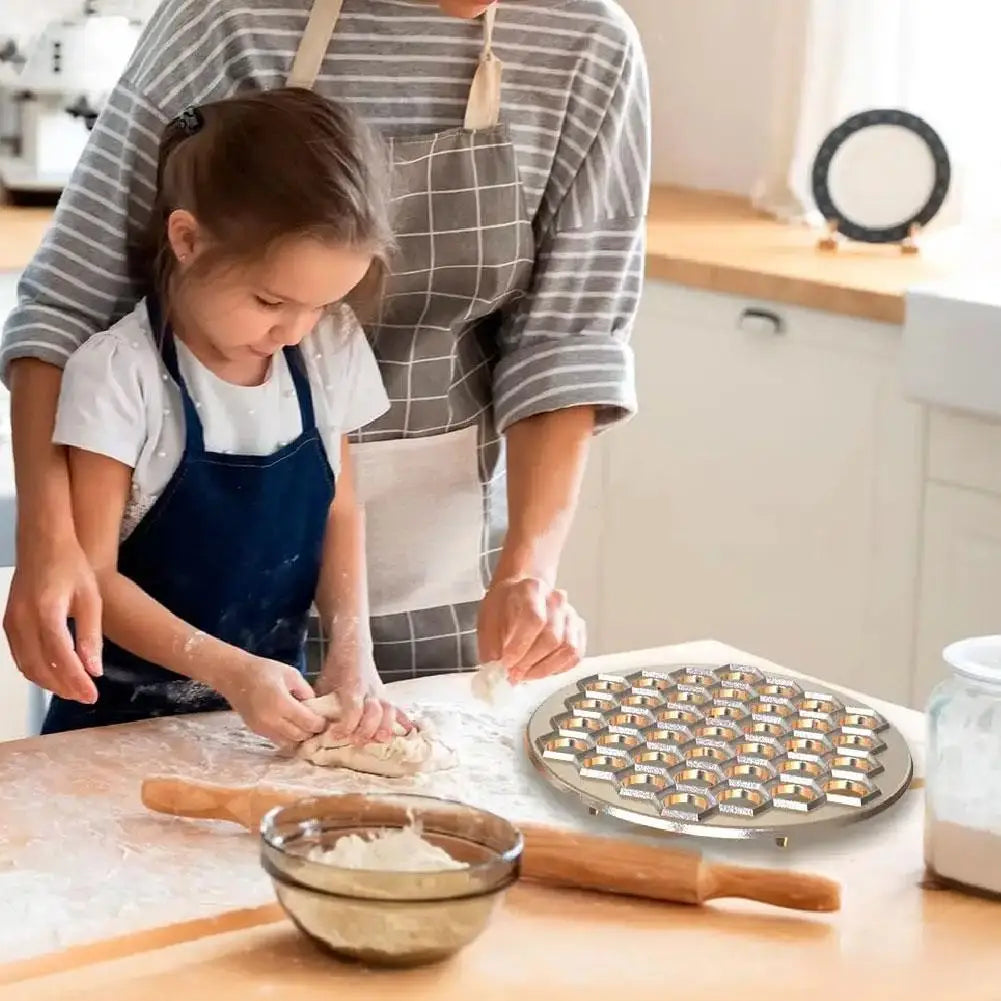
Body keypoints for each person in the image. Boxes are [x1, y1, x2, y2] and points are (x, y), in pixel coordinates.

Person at [1, 0, 651, 717]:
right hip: (163, 633)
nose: (296, 329)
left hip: (451, 577)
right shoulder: (229, 19)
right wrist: (46, 540)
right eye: (272, 300)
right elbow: (65, 305)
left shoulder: (589, 45)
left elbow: (563, 342)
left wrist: (526, 568)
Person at [37, 87, 409, 744]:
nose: (294, 330)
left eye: (320, 304)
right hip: (117, 724)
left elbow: (339, 509)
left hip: (267, 721)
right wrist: (231, 672)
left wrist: (353, 649)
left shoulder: (329, 347)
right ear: (186, 238)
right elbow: (93, 577)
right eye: (270, 300)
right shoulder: (120, 375)